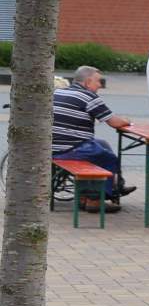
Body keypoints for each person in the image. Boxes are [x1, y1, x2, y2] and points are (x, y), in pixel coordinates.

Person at [51, 65, 136, 209]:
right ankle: (95, 200)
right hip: (69, 149)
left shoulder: (58, 92)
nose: (100, 85)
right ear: (88, 82)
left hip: (53, 146)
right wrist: (127, 121)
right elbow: (114, 123)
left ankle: (117, 186)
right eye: (98, 81)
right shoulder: (89, 97)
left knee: (102, 144)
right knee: (109, 159)